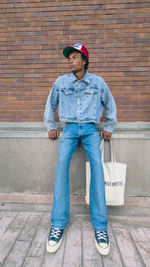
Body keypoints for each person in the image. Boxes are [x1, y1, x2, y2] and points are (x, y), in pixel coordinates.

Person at [44, 43, 117, 255]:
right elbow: (51, 105)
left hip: (90, 130)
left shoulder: (98, 82)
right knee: (60, 170)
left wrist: (109, 127)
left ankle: (101, 227)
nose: (70, 61)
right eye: (69, 58)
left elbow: (110, 105)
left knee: (97, 170)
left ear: (84, 61)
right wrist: (51, 126)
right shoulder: (61, 82)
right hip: (68, 130)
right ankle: (57, 223)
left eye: (75, 57)